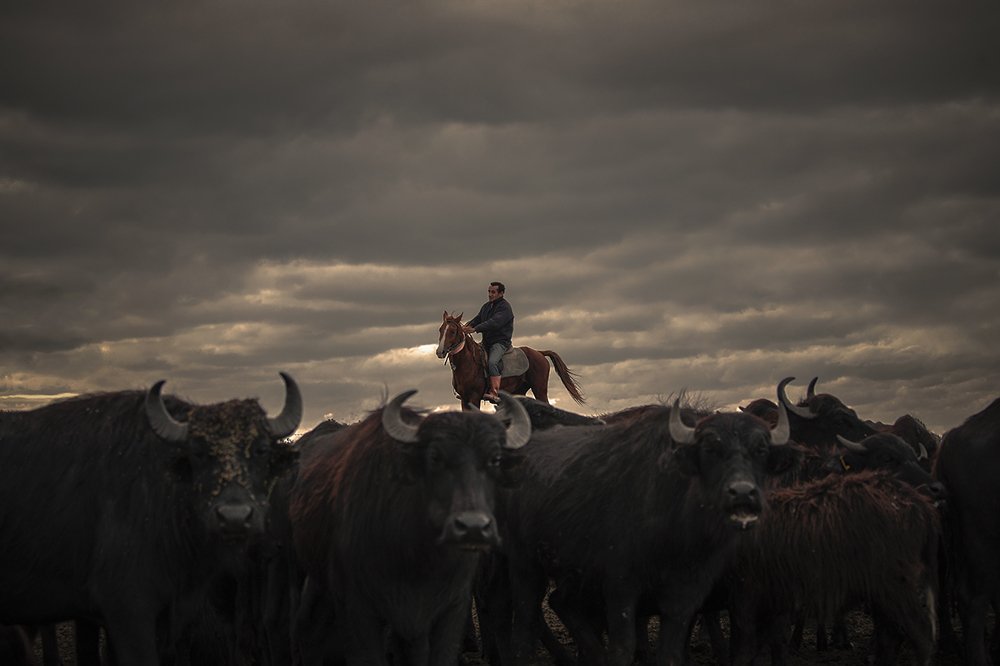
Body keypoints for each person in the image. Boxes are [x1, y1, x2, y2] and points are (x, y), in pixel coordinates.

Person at [463, 281, 514, 404]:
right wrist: (466, 326)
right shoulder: (486, 307)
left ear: (501, 293)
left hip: (500, 342)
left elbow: (494, 322)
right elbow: (478, 319)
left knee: (492, 362)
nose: (490, 294)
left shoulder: (504, 307)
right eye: (489, 292)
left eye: (493, 292)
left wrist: (475, 329)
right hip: (486, 342)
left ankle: (495, 393)